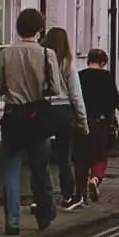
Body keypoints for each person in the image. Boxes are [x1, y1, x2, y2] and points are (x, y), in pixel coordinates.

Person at [0, 8, 62, 236]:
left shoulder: (7, 53)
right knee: (40, 169)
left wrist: (12, 88)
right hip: (37, 115)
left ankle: (12, 221)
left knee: (11, 170)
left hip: (13, 116)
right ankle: (43, 214)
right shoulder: (46, 54)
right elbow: (55, 88)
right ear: (39, 30)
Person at [74, 48, 119, 205]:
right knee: (100, 157)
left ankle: (81, 195)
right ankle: (95, 179)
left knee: (81, 160)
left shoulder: (79, 76)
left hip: (82, 122)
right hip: (100, 122)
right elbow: (116, 99)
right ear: (103, 63)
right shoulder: (106, 77)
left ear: (89, 60)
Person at [42, 27, 89, 211]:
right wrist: (83, 122)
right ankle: (68, 196)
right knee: (65, 157)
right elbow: (76, 96)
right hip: (63, 112)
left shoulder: (41, 63)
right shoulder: (68, 64)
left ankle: (40, 198)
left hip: (44, 109)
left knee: (41, 157)